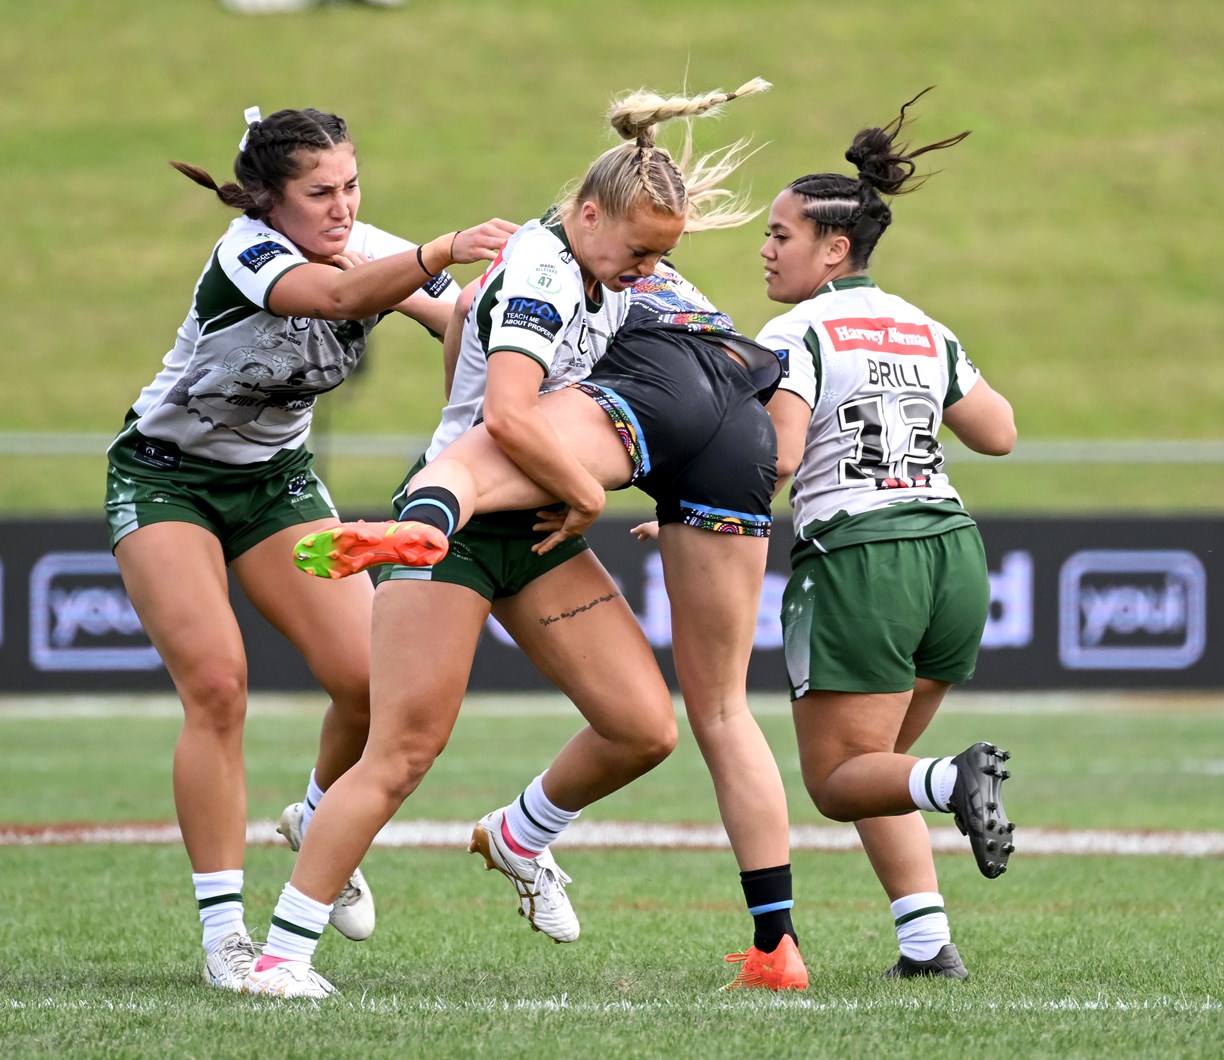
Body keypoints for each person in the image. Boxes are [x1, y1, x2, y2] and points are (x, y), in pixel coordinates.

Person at [244, 79, 807, 999]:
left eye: (661, 255)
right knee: (403, 753)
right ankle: (281, 957)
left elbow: (475, 327)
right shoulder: (546, 271)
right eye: (639, 251)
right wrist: (585, 488)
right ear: (588, 215)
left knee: (643, 727)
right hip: (470, 521)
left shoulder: (608, 268)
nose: (648, 271)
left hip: (536, 529)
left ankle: (519, 835)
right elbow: (507, 414)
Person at [103, 104, 516, 991]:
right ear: (269, 200)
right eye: (320, 192)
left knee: (372, 685)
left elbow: (461, 318)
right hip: (166, 477)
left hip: (275, 484)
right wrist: (444, 249)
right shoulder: (246, 253)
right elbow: (333, 298)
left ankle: (317, 819)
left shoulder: (368, 245)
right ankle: (225, 935)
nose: (343, 207)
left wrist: (519, 308)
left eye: (351, 186)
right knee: (218, 685)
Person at [757, 88, 1018, 979]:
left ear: (834, 247)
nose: (766, 249)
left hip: (863, 559)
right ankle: (925, 943)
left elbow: (781, 458)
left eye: (780, 235)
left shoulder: (795, 329)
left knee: (838, 780)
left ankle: (956, 779)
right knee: (879, 762)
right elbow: (998, 432)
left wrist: (699, 512)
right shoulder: (922, 325)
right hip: (954, 554)